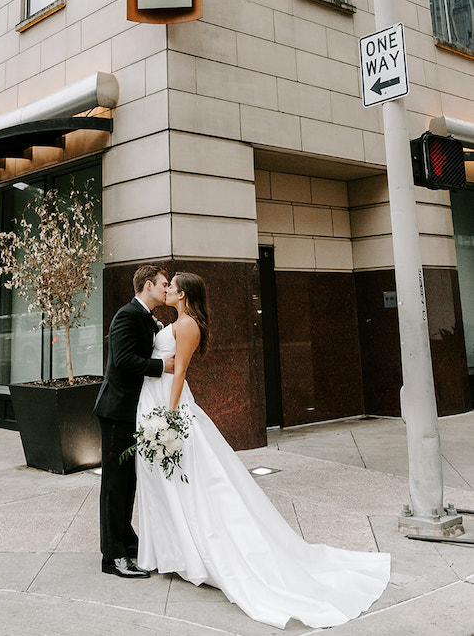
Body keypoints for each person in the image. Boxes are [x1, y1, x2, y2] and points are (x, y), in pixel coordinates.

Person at [136, 272, 391, 630]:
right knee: (171, 481)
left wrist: (171, 414)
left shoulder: (188, 325)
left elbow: (180, 373)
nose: (169, 287)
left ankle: (197, 551)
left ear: (185, 293)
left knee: (196, 480)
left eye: (174, 284)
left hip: (171, 405)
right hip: (157, 400)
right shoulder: (174, 321)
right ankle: (176, 549)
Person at [94, 264, 175, 579]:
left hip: (134, 411)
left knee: (128, 483)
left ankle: (126, 545)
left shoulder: (146, 317)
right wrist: (160, 366)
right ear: (149, 285)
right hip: (117, 411)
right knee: (114, 485)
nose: (167, 289)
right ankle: (112, 557)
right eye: (164, 284)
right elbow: (123, 360)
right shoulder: (127, 315)